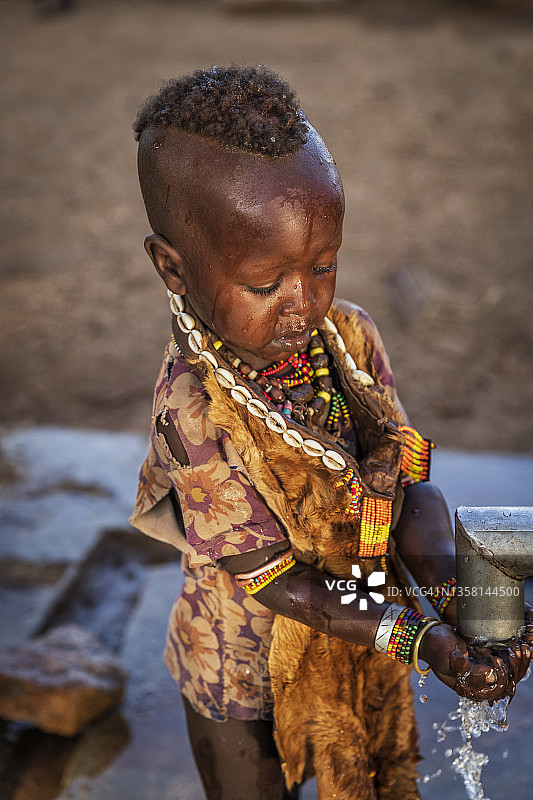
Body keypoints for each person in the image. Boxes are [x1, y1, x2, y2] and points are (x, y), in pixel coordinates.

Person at [129, 65, 533, 800]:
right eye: (263, 284)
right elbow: (280, 583)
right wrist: (421, 639)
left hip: (359, 628)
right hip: (243, 664)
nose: (302, 303)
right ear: (172, 268)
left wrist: (458, 597)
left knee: (370, 776)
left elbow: (405, 487)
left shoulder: (348, 337)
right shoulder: (193, 409)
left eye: (321, 266)